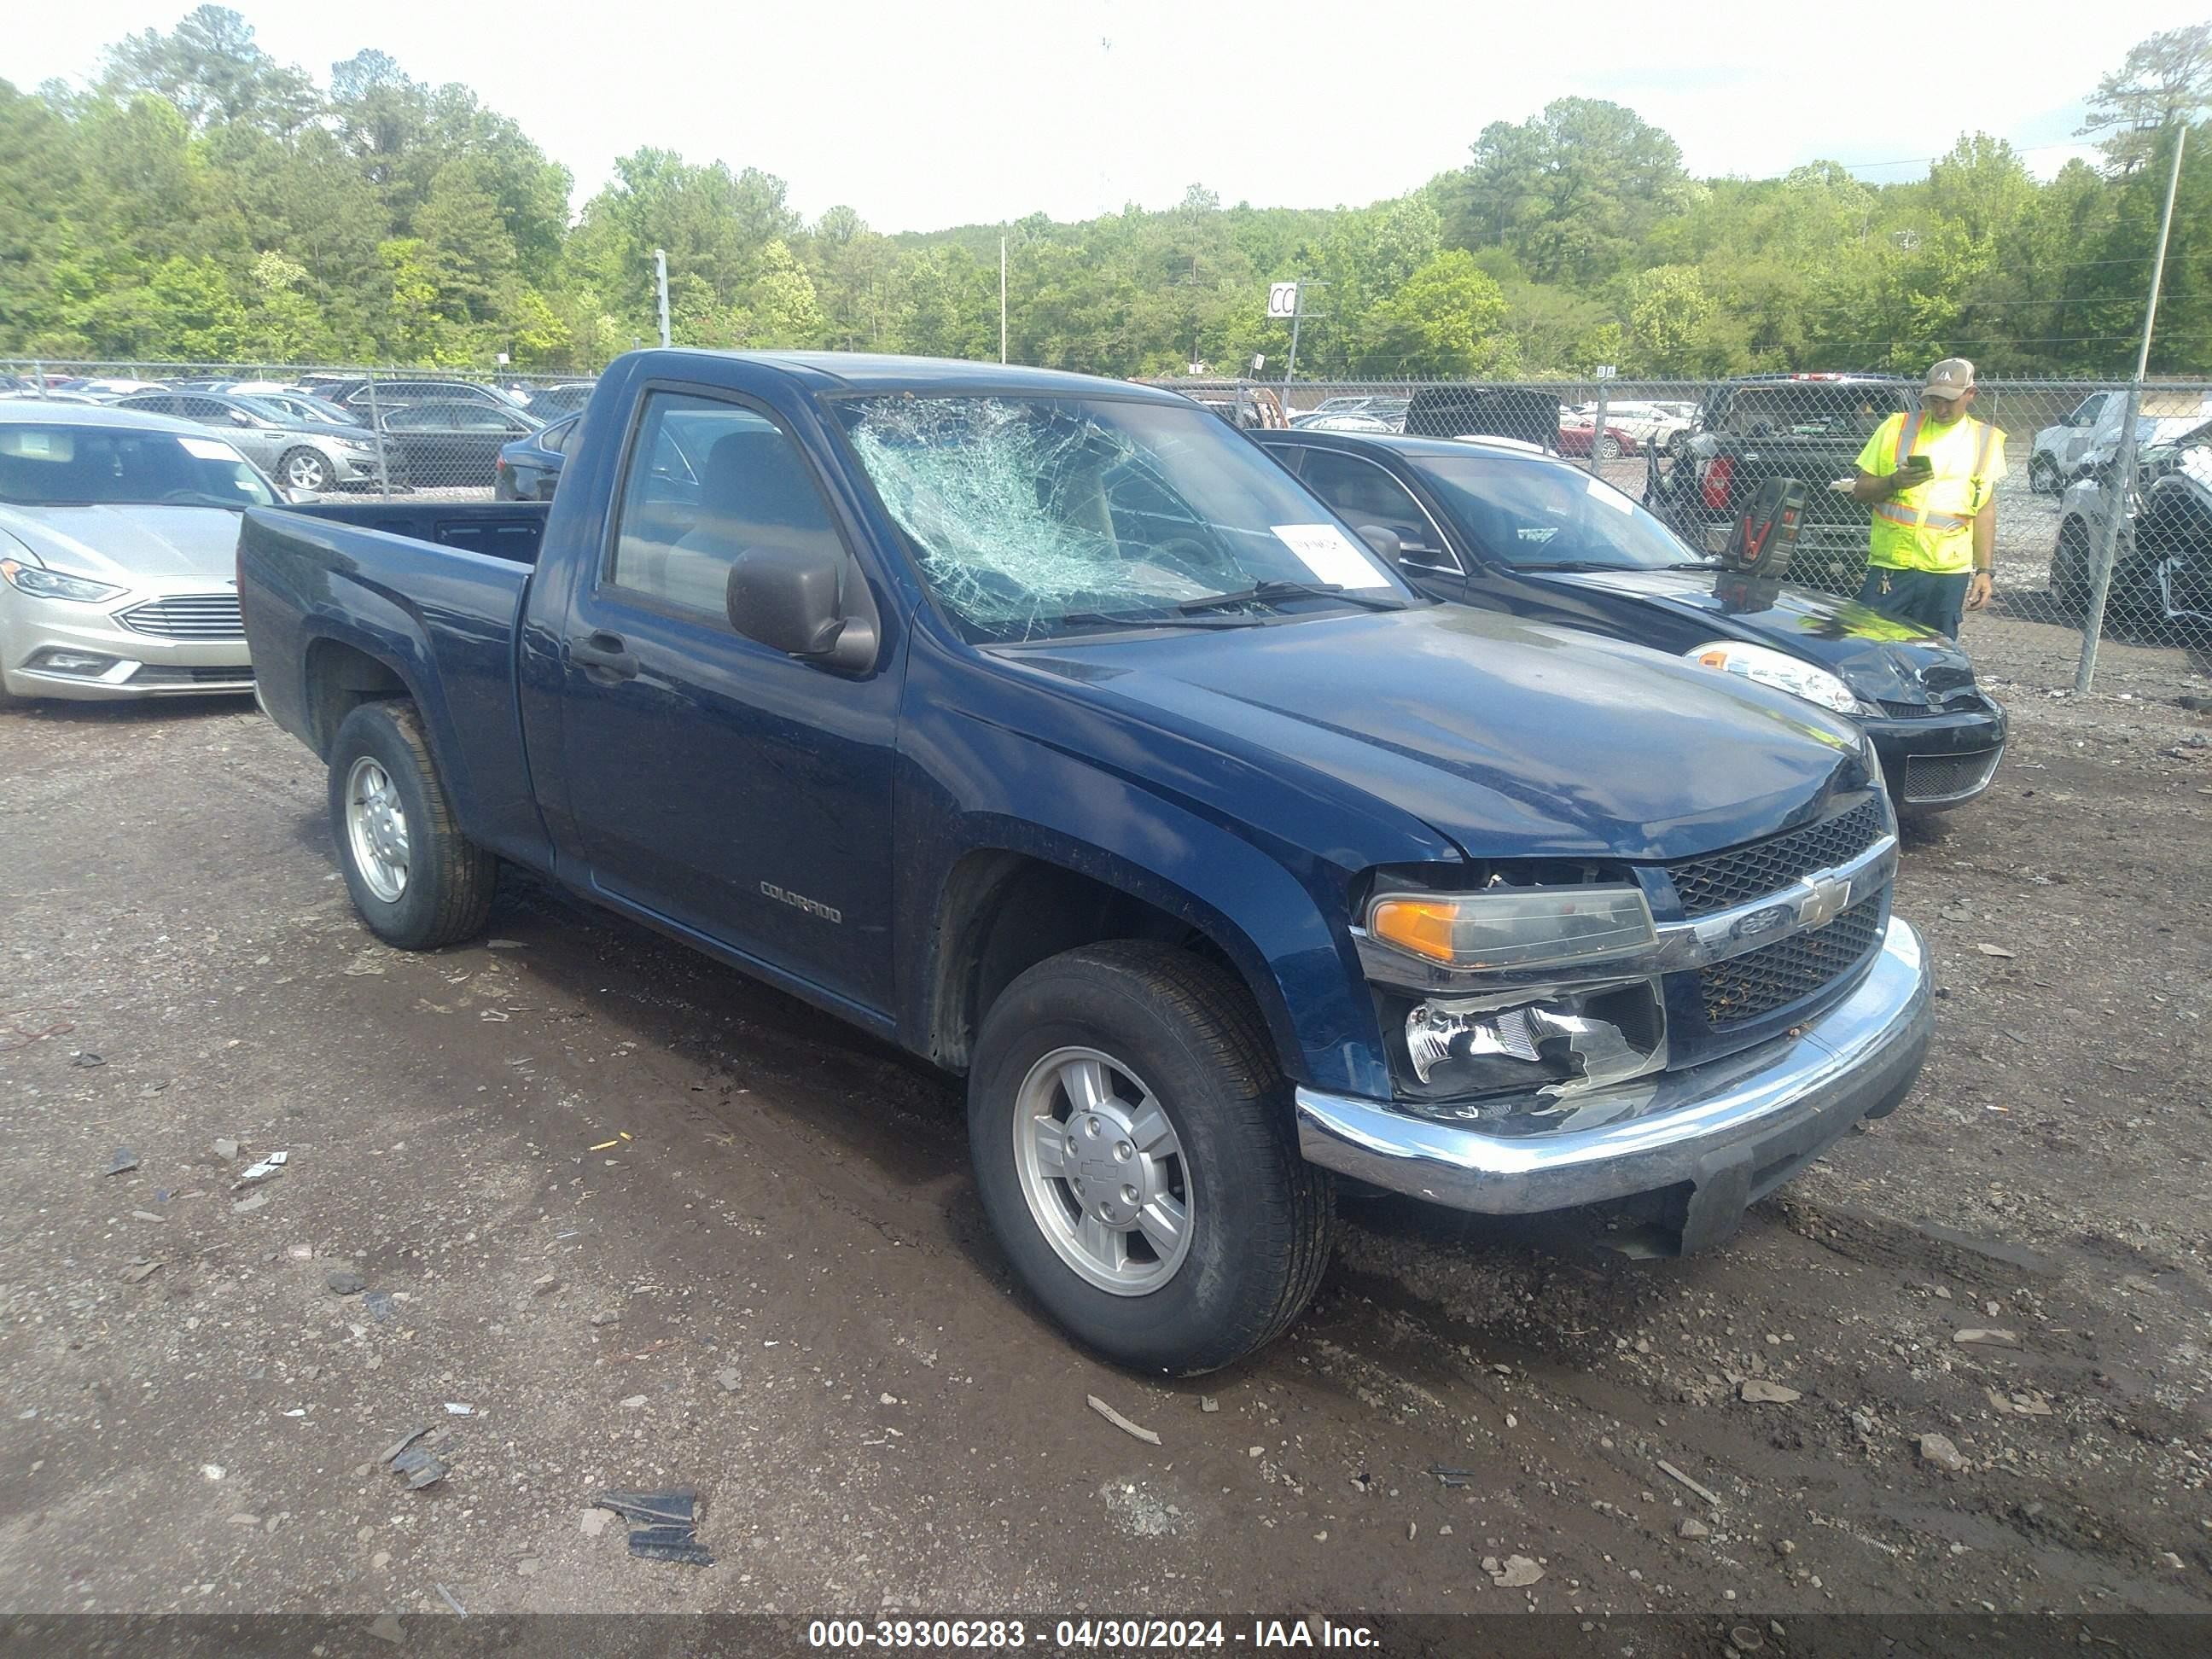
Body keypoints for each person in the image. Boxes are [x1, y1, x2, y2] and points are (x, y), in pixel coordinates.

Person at [1848, 357, 2003, 638]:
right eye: (1934, 400)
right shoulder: (1896, 427)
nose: (1941, 409)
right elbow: (1861, 490)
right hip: (1891, 569)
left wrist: (1984, 571)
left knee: (1934, 655)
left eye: (1950, 401)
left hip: (1946, 574)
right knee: (1870, 648)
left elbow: (1984, 510)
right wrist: (1894, 482)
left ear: (1971, 394)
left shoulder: (1986, 440)